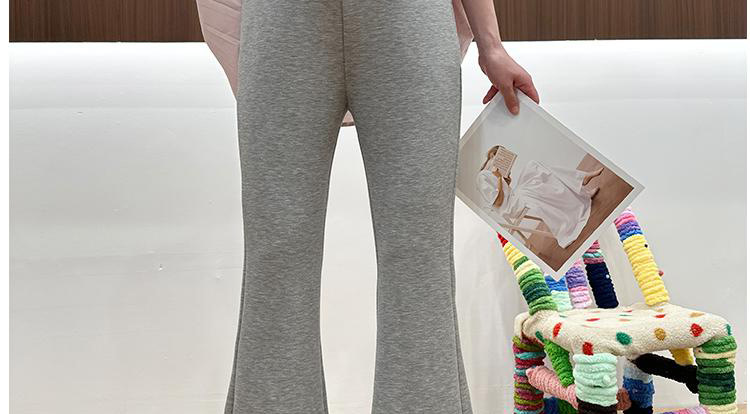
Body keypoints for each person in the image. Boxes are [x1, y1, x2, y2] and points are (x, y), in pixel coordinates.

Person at [196, 0, 539, 412]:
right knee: (277, 258)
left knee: (419, 262)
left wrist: (491, 45)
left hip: (408, 19)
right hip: (284, 20)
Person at [476, 146, 603, 248]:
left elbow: (503, 191)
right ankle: (581, 185)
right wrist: (499, 178)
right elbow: (498, 202)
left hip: (514, 197)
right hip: (511, 206)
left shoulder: (491, 173)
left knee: (534, 166)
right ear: (492, 155)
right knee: (537, 185)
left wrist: (506, 181)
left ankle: (582, 184)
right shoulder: (482, 176)